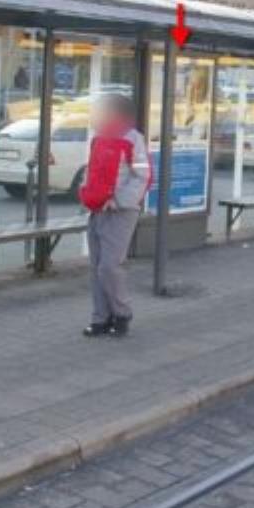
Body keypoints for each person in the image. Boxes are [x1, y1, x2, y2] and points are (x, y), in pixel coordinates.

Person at [80, 94, 150, 337]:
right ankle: (100, 318)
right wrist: (86, 193)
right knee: (96, 267)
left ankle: (121, 313)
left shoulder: (133, 139)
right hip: (97, 209)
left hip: (121, 211)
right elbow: (91, 170)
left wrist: (119, 200)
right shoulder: (98, 137)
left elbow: (143, 175)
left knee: (109, 266)